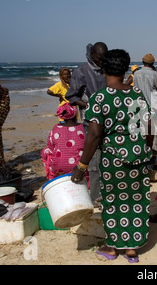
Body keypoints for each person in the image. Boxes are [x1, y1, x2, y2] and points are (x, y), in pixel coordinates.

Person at [71, 49, 152, 263]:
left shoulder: (100, 97)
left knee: (113, 201)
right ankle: (132, 249)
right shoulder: (136, 94)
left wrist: (82, 165)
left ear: (103, 69)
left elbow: (95, 134)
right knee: (136, 200)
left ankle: (112, 247)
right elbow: (149, 126)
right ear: (126, 69)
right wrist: (147, 150)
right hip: (138, 153)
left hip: (114, 157)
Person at [65, 42, 108, 202]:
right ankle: (96, 199)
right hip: (90, 123)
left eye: (104, 58)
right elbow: (72, 97)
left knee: (108, 161)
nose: (101, 61)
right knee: (95, 163)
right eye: (98, 58)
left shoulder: (106, 70)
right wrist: (91, 106)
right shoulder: (80, 72)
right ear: (91, 55)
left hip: (109, 123)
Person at [41, 103, 87, 182]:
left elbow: (50, 146)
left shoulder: (56, 128)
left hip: (58, 166)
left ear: (61, 115)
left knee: (45, 151)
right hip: (79, 165)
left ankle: (52, 177)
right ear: (75, 113)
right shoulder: (82, 127)